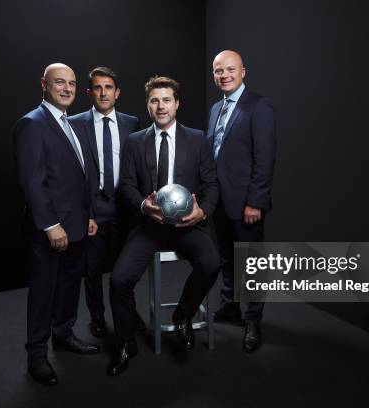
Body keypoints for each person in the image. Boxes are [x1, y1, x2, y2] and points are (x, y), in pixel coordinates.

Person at [107, 76, 220, 376]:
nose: (161, 106)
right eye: (155, 100)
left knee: (211, 263)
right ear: (148, 105)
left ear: (177, 103)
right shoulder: (135, 141)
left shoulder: (198, 139)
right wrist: (144, 205)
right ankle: (123, 342)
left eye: (166, 100)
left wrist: (201, 213)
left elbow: (211, 185)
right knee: (119, 281)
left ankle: (183, 314)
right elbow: (127, 186)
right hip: (150, 226)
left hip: (187, 225)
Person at [13, 63, 100, 386]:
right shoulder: (32, 124)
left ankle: (63, 335)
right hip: (50, 229)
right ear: (43, 84)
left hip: (77, 225)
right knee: (43, 291)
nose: (66, 89)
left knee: (67, 286)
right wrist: (50, 225)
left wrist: (87, 215)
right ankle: (37, 355)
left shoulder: (71, 124)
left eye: (72, 84)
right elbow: (33, 181)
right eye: (59, 82)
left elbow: (77, 178)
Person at [207, 50, 276, 352]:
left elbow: (265, 158)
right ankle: (230, 306)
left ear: (243, 72)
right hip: (219, 201)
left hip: (246, 203)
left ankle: (253, 319)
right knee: (226, 257)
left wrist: (255, 202)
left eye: (230, 69)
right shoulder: (215, 109)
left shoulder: (258, 106)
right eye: (218, 71)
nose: (224, 75)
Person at [69, 67, 143, 338]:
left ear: (117, 92)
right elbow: (73, 173)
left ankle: (129, 312)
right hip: (93, 208)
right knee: (93, 268)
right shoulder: (75, 123)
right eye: (97, 87)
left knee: (125, 267)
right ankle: (97, 315)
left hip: (123, 207)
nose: (103, 92)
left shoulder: (131, 123)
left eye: (108, 87)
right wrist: (84, 211)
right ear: (89, 92)